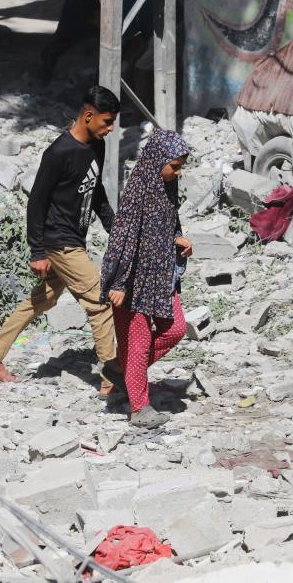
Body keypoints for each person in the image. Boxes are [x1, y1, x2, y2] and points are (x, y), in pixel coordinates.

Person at [0, 86, 119, 392]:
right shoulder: (58, 153)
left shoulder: (97, 146)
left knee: (40, 300)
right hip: (59, 241)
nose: (110, 129)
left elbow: (96, 191)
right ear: (88, 115)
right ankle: (111, 379)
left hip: (73, 239)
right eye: (106, 122)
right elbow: (36, 202)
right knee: (100, 302)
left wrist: (114, 228)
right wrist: (37, 250)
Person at [99, 131, 192, 429]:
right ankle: (139, 409)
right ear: (156, 162)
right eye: (174, 167)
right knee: (137, 344)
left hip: (161, 277)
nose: (176, 173)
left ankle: (121, 370)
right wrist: (118, 284)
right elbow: (121, 242)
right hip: (133, 283)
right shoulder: (137, 194)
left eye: (179, 167)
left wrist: (178, 239)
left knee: (175, 329)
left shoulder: (168, 188)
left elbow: (168, 224)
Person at [38, 0, 153, 84]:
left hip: (102, 4)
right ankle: (46, 66)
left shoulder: (123, 17)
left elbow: (124, 45)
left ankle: (100, 80)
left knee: (109, 45)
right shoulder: (109, 14)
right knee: (66, 37)